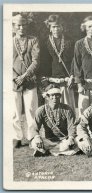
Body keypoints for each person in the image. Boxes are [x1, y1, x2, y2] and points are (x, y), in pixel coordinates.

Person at [12, 14, 39, 148]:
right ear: (13, 26)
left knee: (31, 109)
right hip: (14, 81)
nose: (21, 27)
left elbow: (36, 60)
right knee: (15, 111)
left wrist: (25, 75)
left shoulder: (33, 40)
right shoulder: (8, 41)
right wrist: (14, 77)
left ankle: (32, 136)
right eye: (18, 25)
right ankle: (16, 137)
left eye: (24, 24)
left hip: (29, 80)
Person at [30, 84, 79, 157]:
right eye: (52, 95)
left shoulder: (67, 109)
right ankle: (60, 151)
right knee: (34, 143)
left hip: (65, 140)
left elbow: (71, 126)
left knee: (78, 141)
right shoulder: (41, 110)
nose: (55, 97)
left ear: (60, 96)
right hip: (49, 141)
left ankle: (48, 151)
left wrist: (71, 138)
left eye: (57, 95)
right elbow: (34, 127)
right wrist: (37, 137)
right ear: (47, 97)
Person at [40, 14, 76, 112]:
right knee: (53, 110)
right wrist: (45, 82)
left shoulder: (70, 41)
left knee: (68, 109)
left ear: (62, 27)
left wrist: (72, 76)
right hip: (52, 81)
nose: (56, 29)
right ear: (50, 28)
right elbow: (43, 63)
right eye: (53, 27)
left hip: (67, 80)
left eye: (58, 26)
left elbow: (74, 60)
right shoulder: (45, 42)